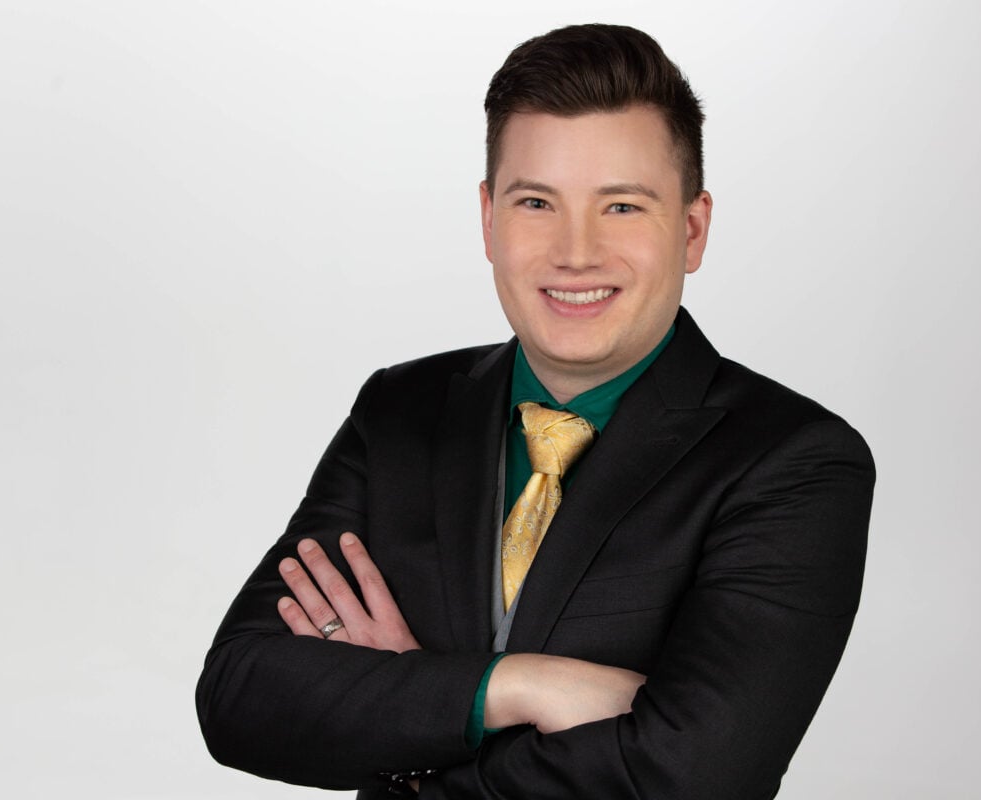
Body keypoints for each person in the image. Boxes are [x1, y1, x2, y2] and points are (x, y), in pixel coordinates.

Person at [196, 23, 875, 799]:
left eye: (621, 206)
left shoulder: (795, 461)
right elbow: (239, 696)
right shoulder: (401, 411)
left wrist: (412, 734)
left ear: (691, 229)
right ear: (488, 218)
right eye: (536, 202)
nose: (576, 251)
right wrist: (512, 687)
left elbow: (694, 776)